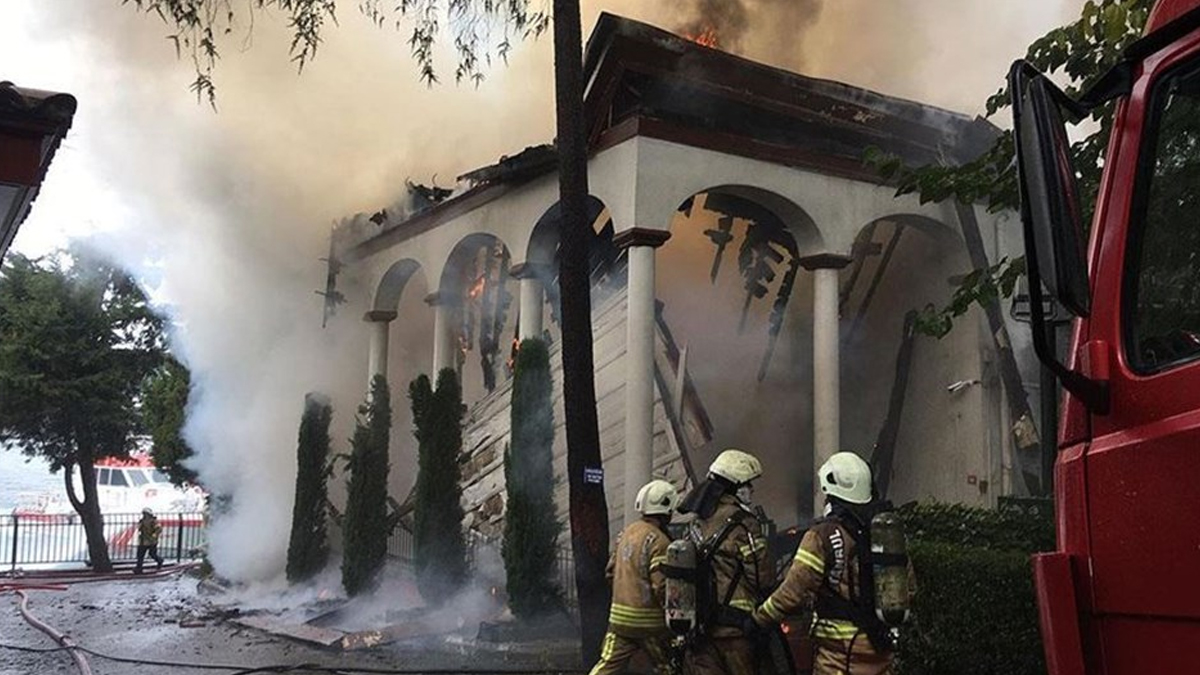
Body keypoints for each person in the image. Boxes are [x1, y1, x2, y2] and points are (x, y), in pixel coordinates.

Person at [752, 451, 907, 675]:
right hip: (880, 647)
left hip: (840, 656)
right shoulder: (886, 533)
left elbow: (793, 591)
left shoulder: (822, 535)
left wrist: (759, 619)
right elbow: (909, 587)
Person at [677, 449, 774, 675]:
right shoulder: (744, 523)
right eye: (748, 484)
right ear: (735, 486)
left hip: (699, 630)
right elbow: (762, 577)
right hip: (735, 632)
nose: (751, 489)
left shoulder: (695, 524)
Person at [589, 479, 679, 675]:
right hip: (649, 625)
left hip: (619, 620)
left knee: (606, 666)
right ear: (667, 510)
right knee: (668, 667)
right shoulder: (660, 541)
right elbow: (661, 586)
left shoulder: (626, 533)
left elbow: (610, 572)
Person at [135, 507, 164, 574]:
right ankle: (138, 568)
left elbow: (158, 529)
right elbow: (139, 528)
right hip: (143, 541)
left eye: (146, 514)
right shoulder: (142, 521)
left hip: (151, 541)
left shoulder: (154, 521)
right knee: (140, 555)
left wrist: (154, 535)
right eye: (144, 514)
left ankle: (160, 560)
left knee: (152, 554)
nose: (145, 515)